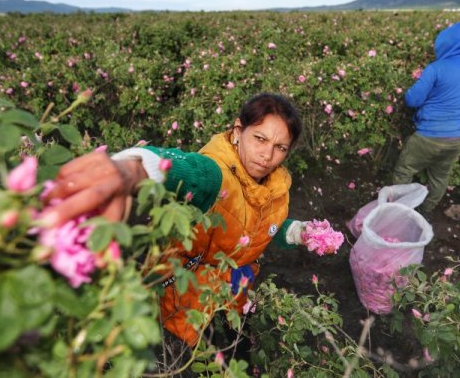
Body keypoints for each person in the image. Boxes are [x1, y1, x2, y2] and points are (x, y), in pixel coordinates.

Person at [42, 93, 312, 347]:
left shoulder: (276, 184)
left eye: (280, 147)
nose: (267, 155)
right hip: (184, 298)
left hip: (231, 293)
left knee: (223, 345)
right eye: (260, 139)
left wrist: (296, 232)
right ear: (238, 131)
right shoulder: (215, 173)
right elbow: (184, 168)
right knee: (178, 354)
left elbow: (261, 223)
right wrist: (132, 169)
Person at [393, 19, 460, 217]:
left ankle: (398, 212)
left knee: (405, 169)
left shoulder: (437, 68)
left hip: (429, 135)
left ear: (446, 44)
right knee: (440, 177)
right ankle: (425, 212)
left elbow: (412, 100)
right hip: (458, 137)